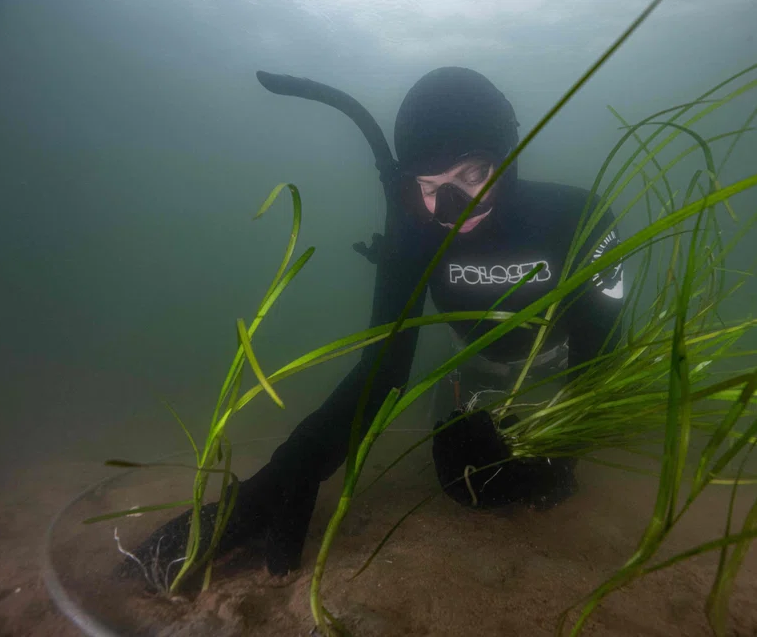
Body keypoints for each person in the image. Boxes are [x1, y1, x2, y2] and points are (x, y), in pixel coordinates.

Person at [127, 67, 624, 579]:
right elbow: (383, 368)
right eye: (430, 186)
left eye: (474, 175)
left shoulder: (576, 218)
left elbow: (601, 356)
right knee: (459, 468)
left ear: (508, 156)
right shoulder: (416, 232)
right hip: (476, 370)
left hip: (562, 373)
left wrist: (562, 454)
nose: (453, 209)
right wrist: (288, 471)